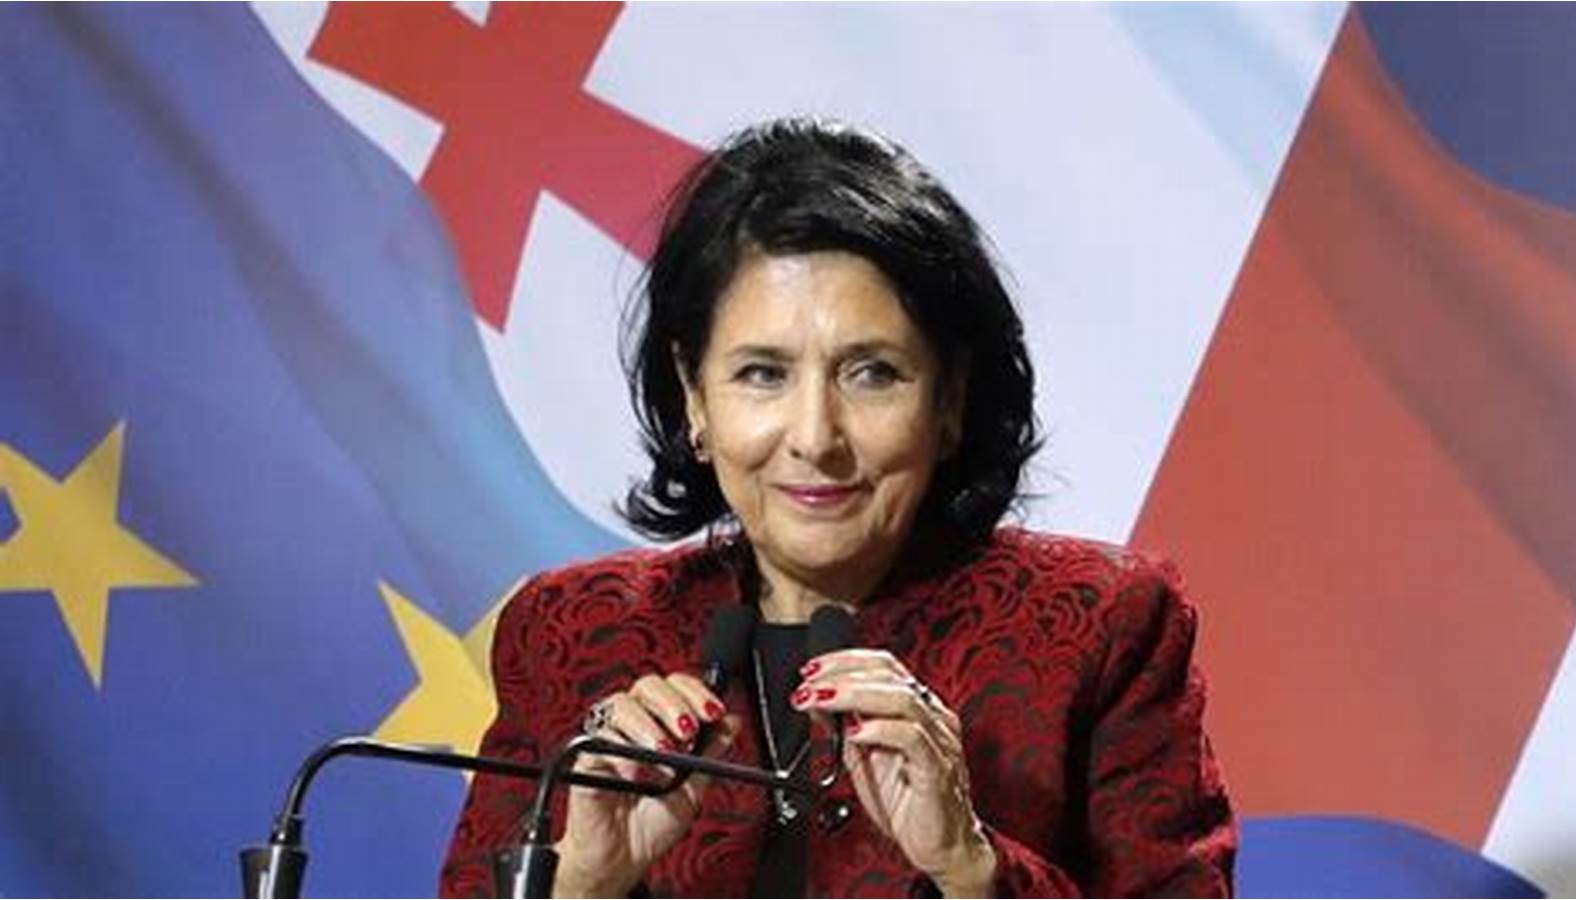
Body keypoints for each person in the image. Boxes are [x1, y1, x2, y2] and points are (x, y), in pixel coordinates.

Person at [440, 117, 1235, 898]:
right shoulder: (572, 635)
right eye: (762, 374)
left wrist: (970, 868)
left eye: (872, 373)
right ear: (695, 398)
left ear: (950, 398)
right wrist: (582, 884)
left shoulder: (1100, 625)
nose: (816, 438)